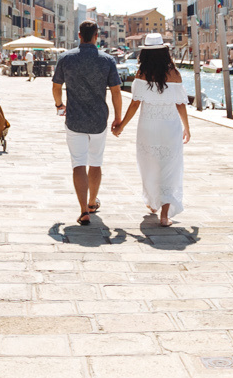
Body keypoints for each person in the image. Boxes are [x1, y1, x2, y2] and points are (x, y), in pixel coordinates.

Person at [114, 33, 190, 225]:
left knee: (149, 165)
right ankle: (164, 214)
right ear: (165, 52)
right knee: (170, 167)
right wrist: (187, 128)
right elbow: (181, 104)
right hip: (170, 126)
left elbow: (134, 105)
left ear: (145, 53)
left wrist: (121, 126)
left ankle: (153, 203)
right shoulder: (175, 74)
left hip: (148, 127)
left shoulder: (141, 75)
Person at [54, 20, 122, 224]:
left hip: (75, 119)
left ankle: (84, 210)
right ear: (96, 35)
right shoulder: (107, 60)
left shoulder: (66, 58)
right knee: (96, 162)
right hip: (99, 119)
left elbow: (56, 86)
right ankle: (92, 202)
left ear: (79, 35)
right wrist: (118, 118)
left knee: (78, 164)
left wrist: (59, 106)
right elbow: (116, 92)